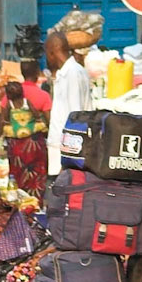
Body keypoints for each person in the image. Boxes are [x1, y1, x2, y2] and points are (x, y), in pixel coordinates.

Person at [45, 30, 91, 176]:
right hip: (60, 148)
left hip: (67, 151)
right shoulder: (64, 73)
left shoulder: (72, 73)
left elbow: (76, 115)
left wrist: (69, 159)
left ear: (52, 52)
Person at [1, 78, 48, 198]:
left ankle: (21, 200)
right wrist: (38, 121)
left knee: (18, 174)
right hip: (34, 143)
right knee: (37, 173)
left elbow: (4, 119)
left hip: (17, 146)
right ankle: (37, 200)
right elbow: (36, 114)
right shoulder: (27, 102)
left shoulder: (9, 105)